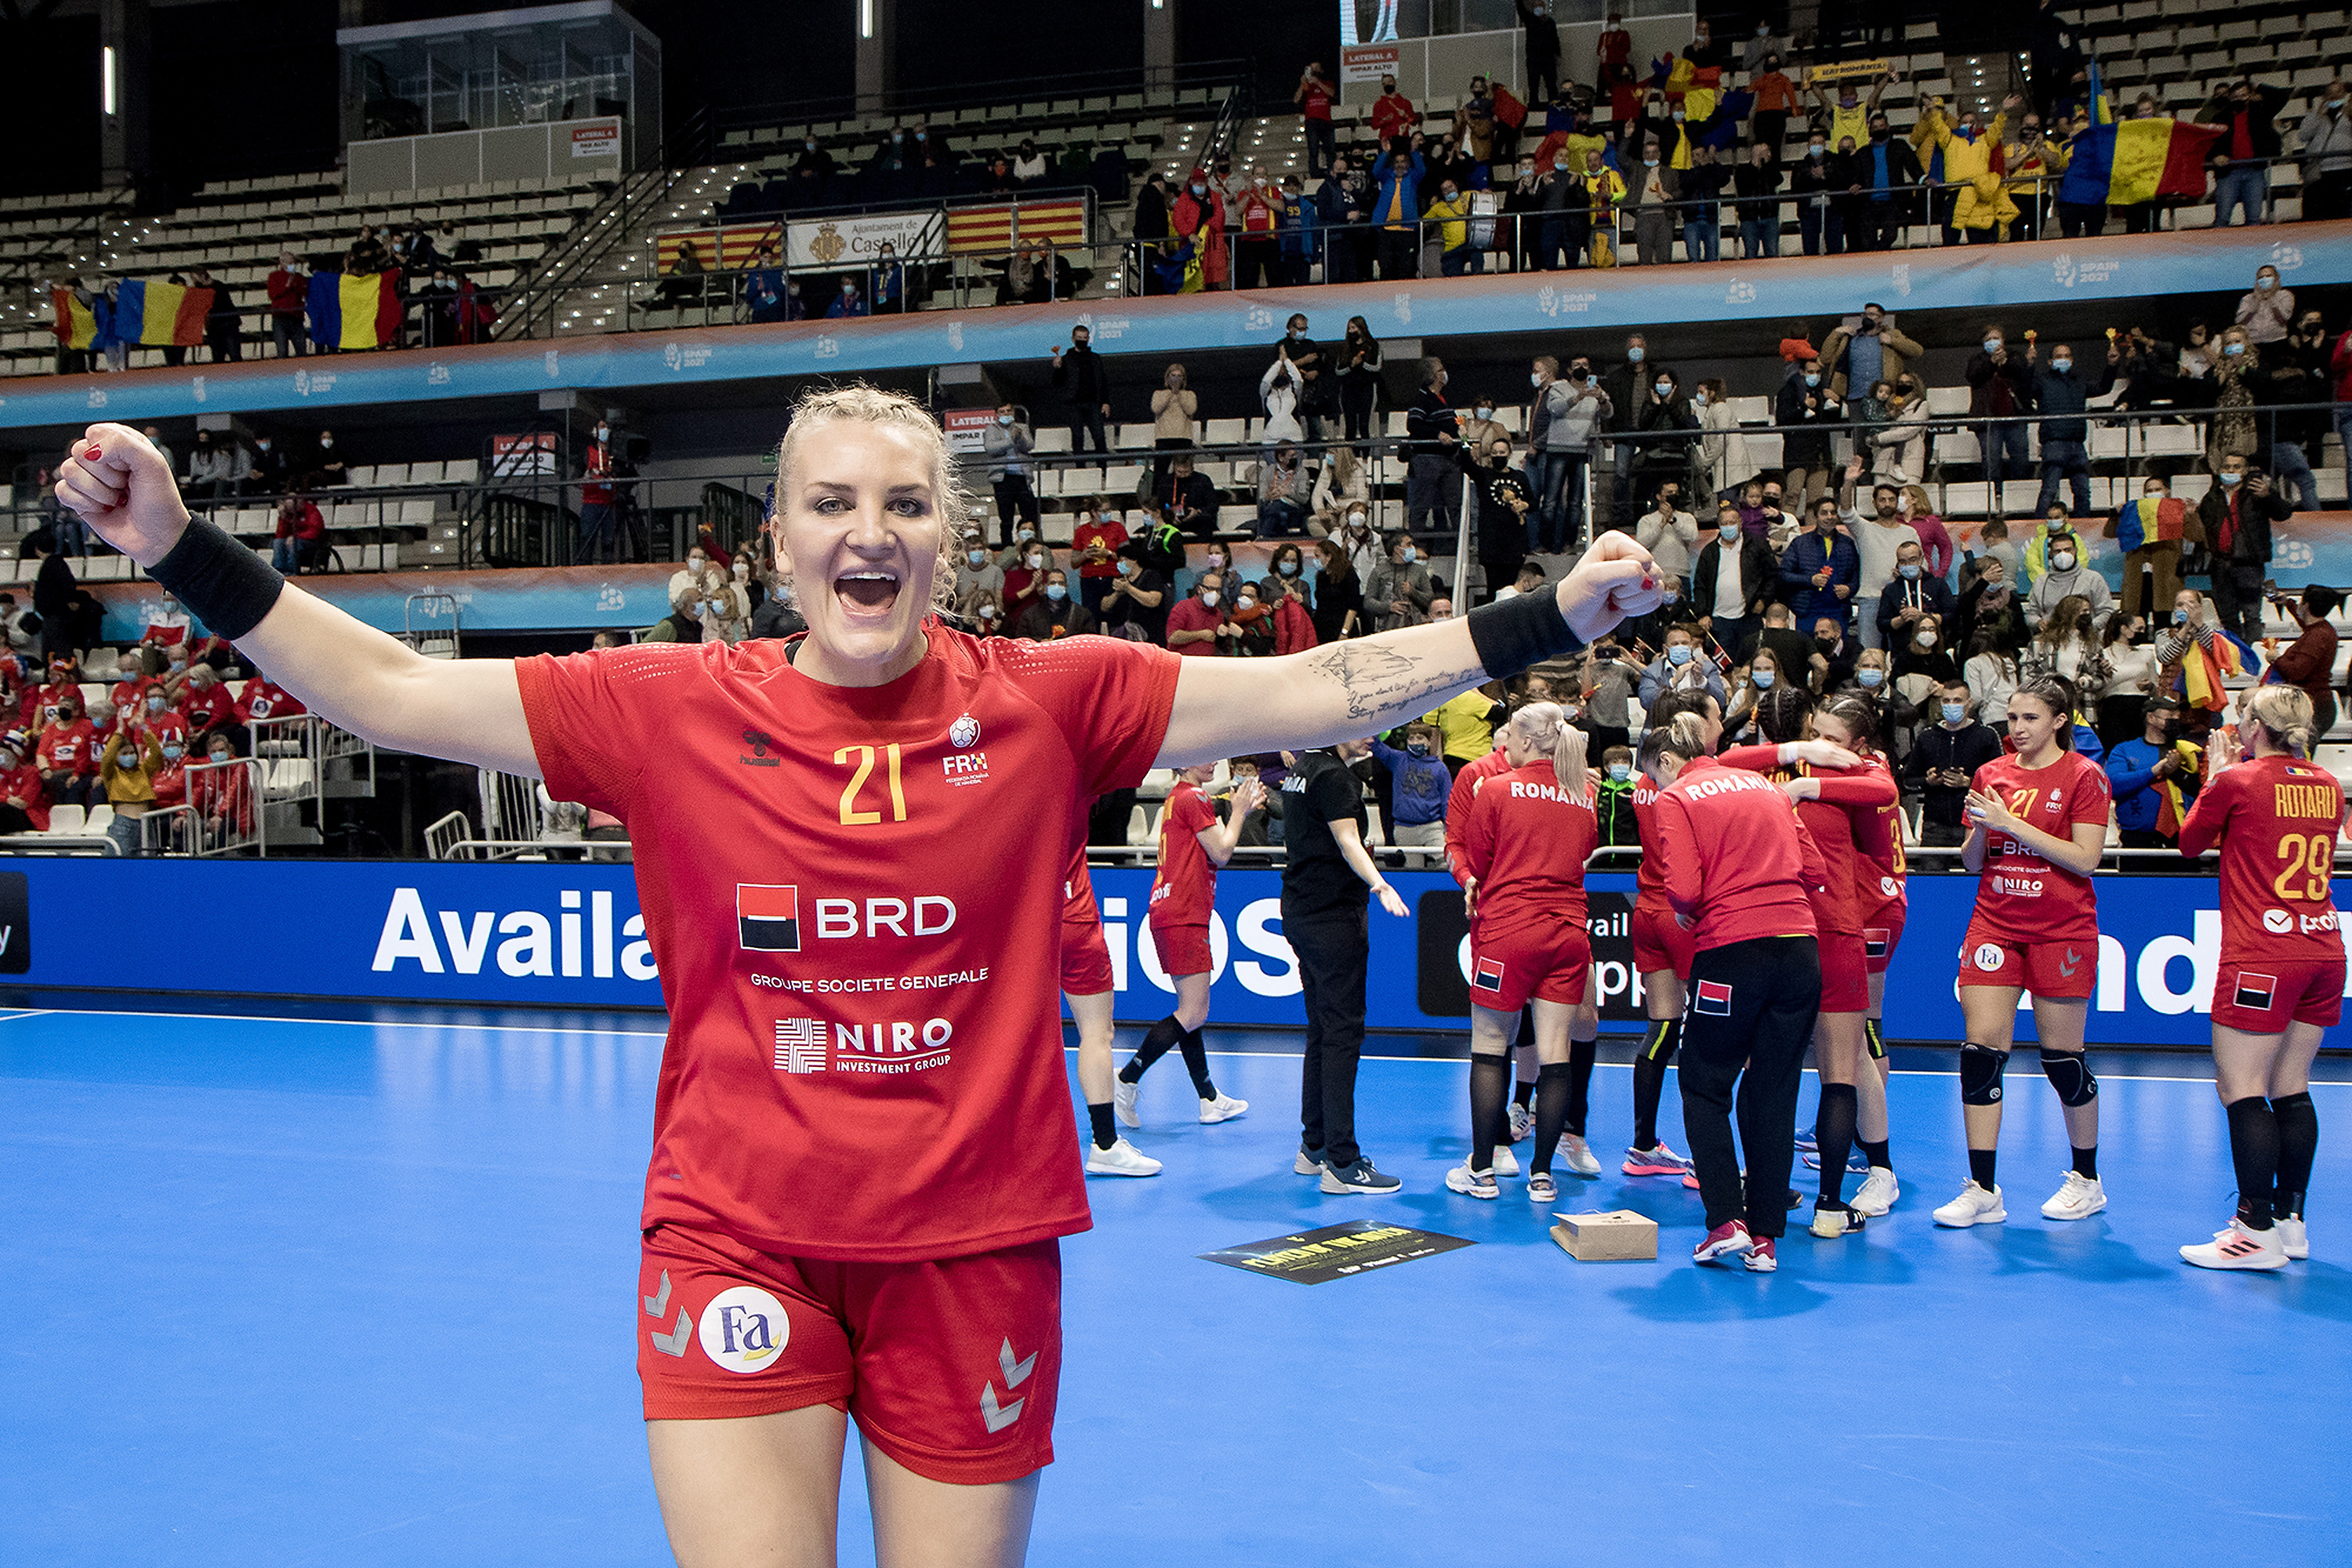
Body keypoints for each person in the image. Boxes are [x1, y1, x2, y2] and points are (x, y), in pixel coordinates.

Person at [56, 396, 1668, 1562]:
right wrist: (177, 546)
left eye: (903, 504)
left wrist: (1546, 620)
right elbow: (396, 690)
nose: (867, 533)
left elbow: (1316, 687)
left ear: (949, 541)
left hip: (971, 1249)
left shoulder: (1056, 697)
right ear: (778, 538)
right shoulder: (668, 703)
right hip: (736, 1231)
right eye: (830, 504)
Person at [1639, 712, 1827, 1272]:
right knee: (1774, 1091)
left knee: (1703, 1084)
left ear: (1668, 761)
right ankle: (1767, 1236)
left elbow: (1685, 889)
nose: (1654, 788)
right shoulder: (1769, 790)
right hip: (1799, 948)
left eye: (1653, 776)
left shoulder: (1678, 798)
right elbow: (1814, 869)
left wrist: (1695, 908)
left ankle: (1725, 1221)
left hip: (1731, 948)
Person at [1934, 675, 2114, 1231]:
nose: (2017, 729)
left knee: (2063, 1058)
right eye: (2011, 718)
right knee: (1980, 1052)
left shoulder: (2085, 775)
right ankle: (1983, 1189)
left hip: (2061, 928)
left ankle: (2086, 1179)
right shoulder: (1992, 774)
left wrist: (2012, 823)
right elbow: (1970, 862)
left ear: (2060, 721)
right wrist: (1985, 832)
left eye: (2030, 718)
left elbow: (2085, 858)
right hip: (1995, 922)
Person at [1719, 691, 1895, 1236]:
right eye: (1814, 736)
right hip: (1792, 934)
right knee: (1806, 1072)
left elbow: (1884, 792)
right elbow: (1724, 761)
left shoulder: (1850, 783)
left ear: (1859, 747)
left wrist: (1809, 783)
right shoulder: (1778, 774)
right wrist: (1791, 755)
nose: (1822, 749)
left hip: (1813, 934)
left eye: (1833, 743)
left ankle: (1821, 1199)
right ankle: (1820, 1204)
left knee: (1830, 1071)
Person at [2175, 686, 2337, 1269]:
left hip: (2262, 953)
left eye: (2242, 718)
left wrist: (2214, 775)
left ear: (2255, 727)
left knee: (2241, 1088)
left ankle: (2254, 1230)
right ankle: (2291, 1222)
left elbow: (2191, 843)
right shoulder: (2326, 784)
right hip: (2323, 945)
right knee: (2291, 1086)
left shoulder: (2237, 781)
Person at [1446, 702, 1597, 1204]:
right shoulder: (1583, 796)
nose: (1503, 742)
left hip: (1509, 931)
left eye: (1509, 734)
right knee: (1557, 1054)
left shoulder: (1495, 789)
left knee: (1490, 1044)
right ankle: (1542, 1176)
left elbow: (1483, 860)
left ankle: (1483, 1171)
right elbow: (1582, 853)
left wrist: (1482, 883)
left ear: (1528, 742)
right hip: (1568, 932)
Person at [1116, 764, 1264, 1131]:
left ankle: (1209, 1099)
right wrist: (1240, 812)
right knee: (1195, 1012)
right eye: (1206, 756)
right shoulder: (1194, 797)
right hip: (1183, 912)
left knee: (1189, 1010)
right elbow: (1223, 851)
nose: (1214, 762)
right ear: (1185, 762)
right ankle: (1127, 1078)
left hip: (1171, 909)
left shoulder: (1176, 797)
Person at [2196, 453, 2290, 642]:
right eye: (2227, 467)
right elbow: (2203, 526)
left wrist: (2269, 496)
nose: (2231, 471)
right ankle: (2235, 658)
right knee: (2227, 618)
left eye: (2236, 467)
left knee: (2252, 616)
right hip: (2220, 564)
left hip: (2249, 563)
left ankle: (2252, 660)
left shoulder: (2257, 492)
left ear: (2246, 470)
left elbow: (2283, 514)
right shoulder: (2211, 496)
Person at [2267, 584, 2341, 737]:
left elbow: (2297, 671)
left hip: (2313, 707)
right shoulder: (2322, 629)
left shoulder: (2317, 636)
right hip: (2317, 705)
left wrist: (2276, 659)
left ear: (2306, 605)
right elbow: (2307, 622)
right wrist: (2288, 602)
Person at [1370, 722, 1451, 848]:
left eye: (1420, 738)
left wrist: (1449, 829)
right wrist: (1373, 724)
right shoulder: (1398, 760)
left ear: (1429, 742)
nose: (1415, 742)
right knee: (1412, 867)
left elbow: (1447, 801)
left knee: (1443, 863)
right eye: (1411, 738)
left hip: (1433, 827)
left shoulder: (1440, 768)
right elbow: (1377, 747)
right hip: (1404, 827)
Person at [982, 405, 1039, 547]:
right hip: (1003, 478)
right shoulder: (991, 429)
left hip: (1021, 476)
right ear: (997, 414)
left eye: (1008, 411)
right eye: (1002, 411)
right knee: (1006, 516)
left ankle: (1031, 545)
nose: (1006, 414)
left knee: (1030, 514)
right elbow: (990, 448)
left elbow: (1030, 445)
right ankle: (1007, 547)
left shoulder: (1022, 427)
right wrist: (1010, 441)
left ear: (1013, 412)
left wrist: (1020, 438)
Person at [1048, 325, 1112, 456]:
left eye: (1085, 338)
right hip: (1074, 404)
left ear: (1089, 339)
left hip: (1094, 402)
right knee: (1077, 437)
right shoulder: (1066, 359)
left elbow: (1103, 381)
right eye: (1079, 338)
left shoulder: (1095, 358)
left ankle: (1103, 470)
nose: (1082, 340)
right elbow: (1057, 383)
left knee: (1099, 436)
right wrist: (1057, 369)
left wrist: (1106, 402)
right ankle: (1080, 470)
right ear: (1073, 339)